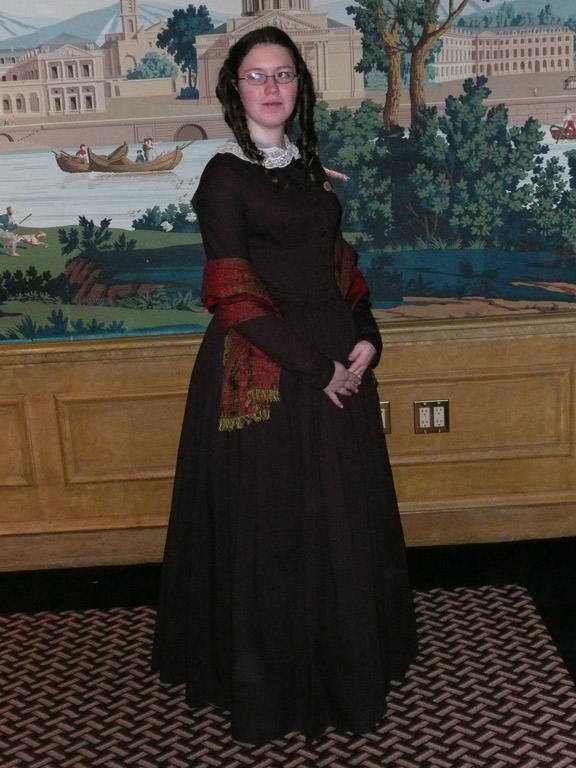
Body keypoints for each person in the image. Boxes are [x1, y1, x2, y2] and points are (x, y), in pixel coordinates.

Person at [152, 25, 417, 746]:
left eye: (284, 74)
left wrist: (366, 335)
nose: (272, 87)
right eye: (256, 76)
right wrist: (317, 369)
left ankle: (342, 663)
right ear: (233, 90)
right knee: (274, 530)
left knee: (338, 520)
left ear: (301, 85)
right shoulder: (223, 177)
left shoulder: (307, 169)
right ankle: (271, 686)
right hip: (265, 370)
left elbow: (338, 266)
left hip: (334, 359)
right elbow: (232, 295)